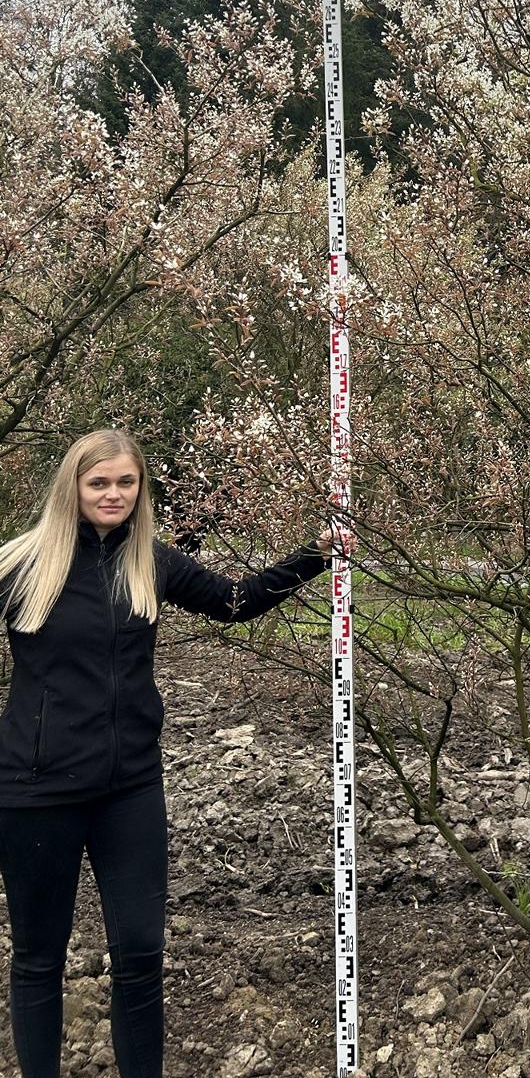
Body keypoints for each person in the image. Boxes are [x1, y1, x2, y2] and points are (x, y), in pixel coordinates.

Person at [0, 427, 339, 1078]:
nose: (113, 494)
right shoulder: (21, 565)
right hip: (35, 791)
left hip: (129, 788)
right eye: (99, 482)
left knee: (139, 952)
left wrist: (315, 555)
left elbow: (235, 602)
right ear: (72, 486)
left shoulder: (151, 563)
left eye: (126, 482)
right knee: (39, 958)